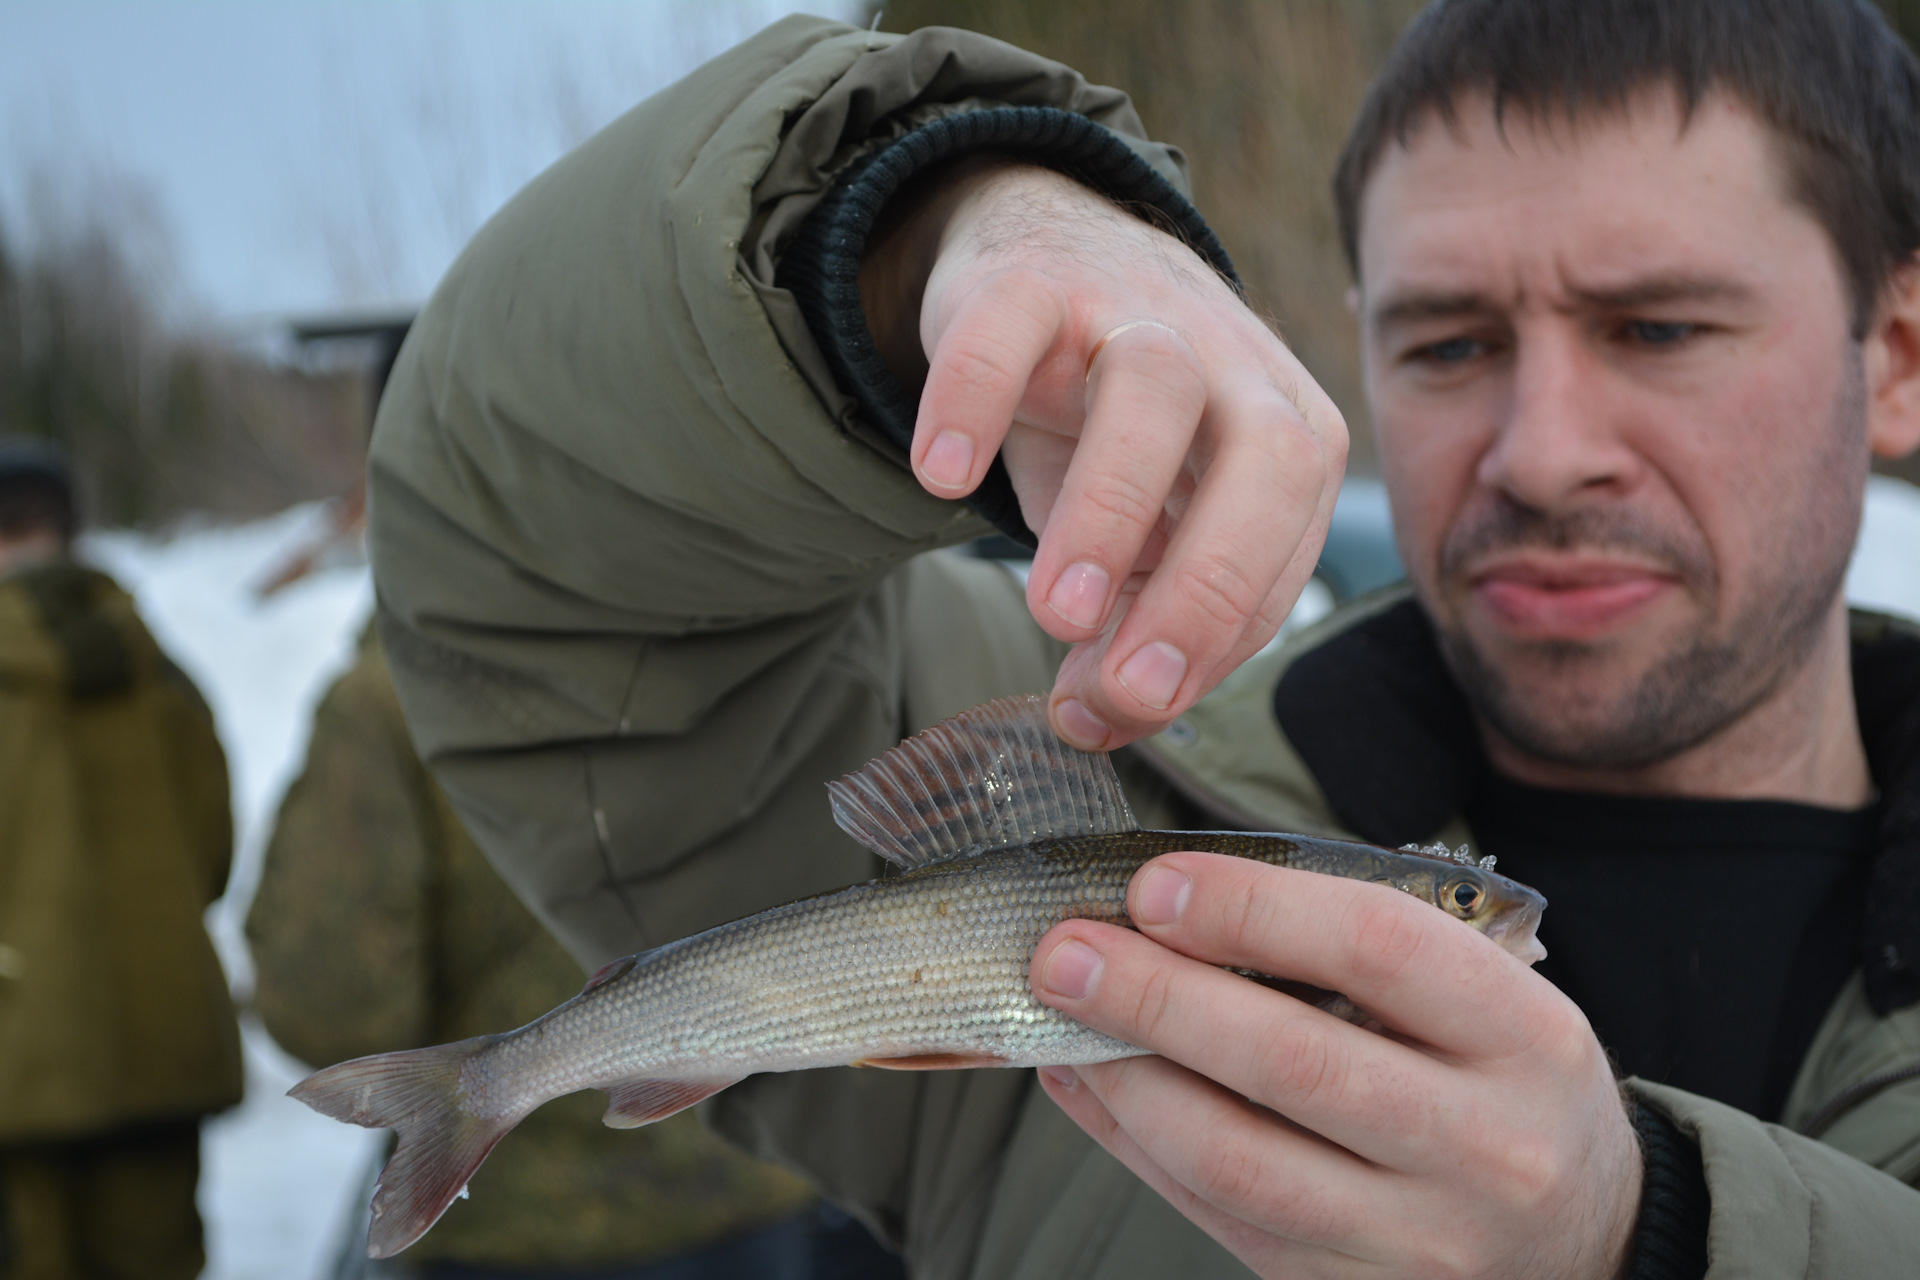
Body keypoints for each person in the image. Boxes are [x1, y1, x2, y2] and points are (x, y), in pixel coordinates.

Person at [362, 1, 1920, 1276]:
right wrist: (922, 213)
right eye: (1448, 342)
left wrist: (1642, 1240)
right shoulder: (1093, 726)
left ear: (1899, 353)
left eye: (1660, 327)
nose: (1540, 449)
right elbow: (512, 566)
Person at [249, 625, 905, 1280]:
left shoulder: (395, 697)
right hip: (756, 1191)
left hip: (521, 1230)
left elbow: (328, 1000)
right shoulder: (777, 638)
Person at [0, 439, 241, 1279]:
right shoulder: (159, 671)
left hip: (21, 1068)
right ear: (67, 527)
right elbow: (211, 855)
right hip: (162, 1050)